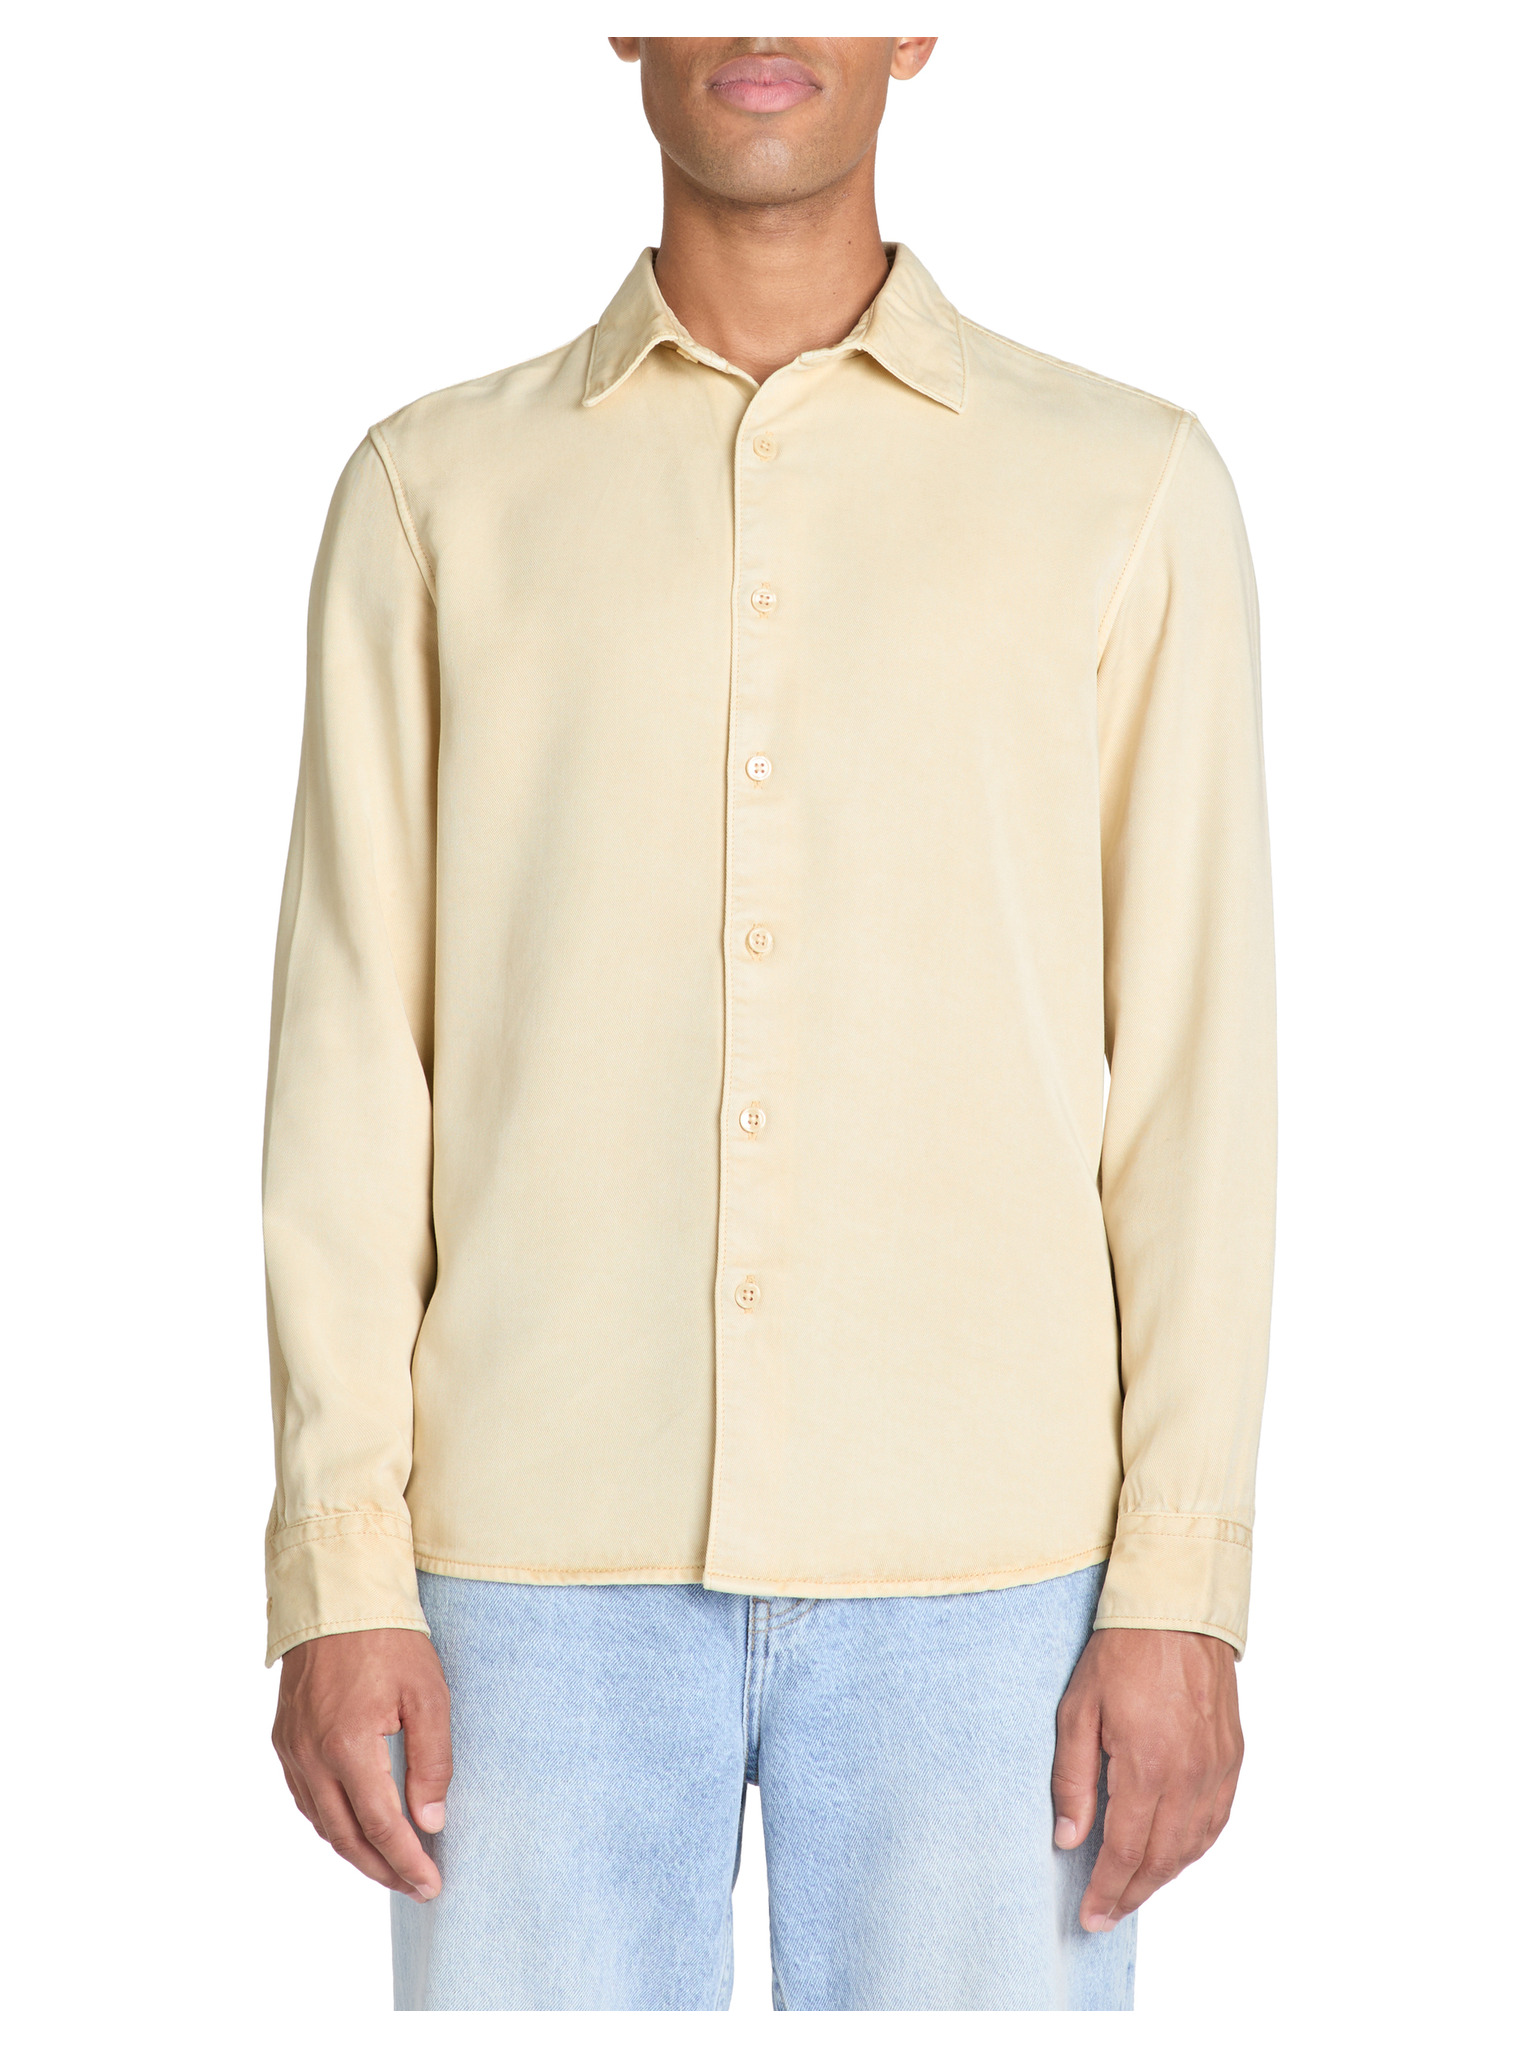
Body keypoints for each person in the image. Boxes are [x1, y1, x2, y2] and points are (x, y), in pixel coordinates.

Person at [264, 35, 1275, 2013]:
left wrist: (1184, 1585)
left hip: (997, 1589)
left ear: (920, 25)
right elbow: (351, 1059)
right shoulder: (431, 494)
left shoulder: (1126, 489)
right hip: (520, 1578)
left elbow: (1196, 1082)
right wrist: (339, 1563)